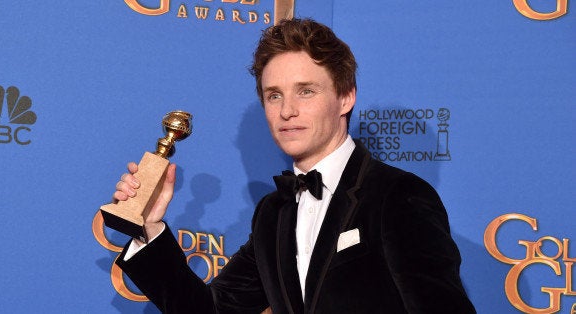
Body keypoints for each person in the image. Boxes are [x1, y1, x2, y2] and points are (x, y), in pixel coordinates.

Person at [112, 18, 476, 314]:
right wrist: (150, 228)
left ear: (346, 96)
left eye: (306, 91)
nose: (287, 111)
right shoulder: (274, 213)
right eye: (274, 95)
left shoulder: (398, 196)